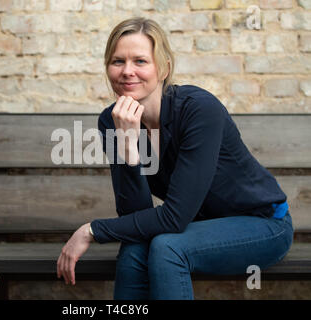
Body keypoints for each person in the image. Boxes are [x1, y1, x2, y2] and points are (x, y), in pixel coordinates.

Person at [56, 17, 293, 300]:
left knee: (167, 248)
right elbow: (135, 214)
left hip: (262, 225)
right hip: (198, 228)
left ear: (164, 68)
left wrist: (92, 230)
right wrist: (130, 147)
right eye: (118, 61)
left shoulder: (198, 110)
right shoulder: (113, 121)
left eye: (140, 61)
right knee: (134, 250)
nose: (127, 71)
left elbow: (175, 218)